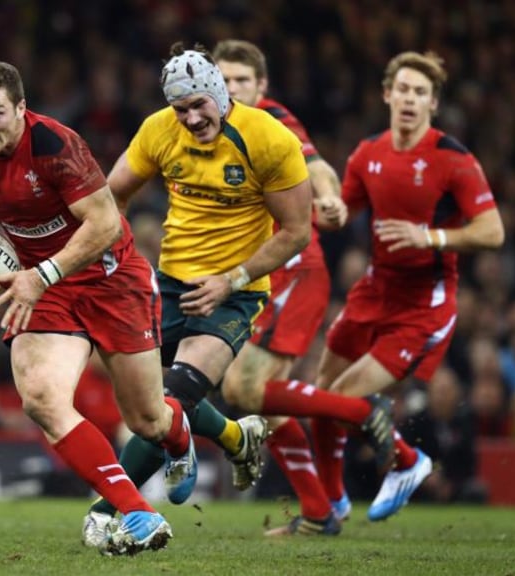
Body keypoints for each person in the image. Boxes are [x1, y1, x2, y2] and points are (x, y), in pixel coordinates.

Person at [0, 59, 197, 556]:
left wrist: (43, 274)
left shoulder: (57, 146)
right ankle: (139, 512)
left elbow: (105, 225)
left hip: (109, 278)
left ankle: (178, 432)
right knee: (41, 398)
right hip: (43, 289)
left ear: (21, 108)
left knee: (146, 421)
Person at [239, 51, 504, 522]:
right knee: (325, 395)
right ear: (387, 94)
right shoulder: (368, 154)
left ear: (433, 104)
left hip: (424, 304)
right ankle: (335, 500)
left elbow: (492, 231)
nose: (409, 99)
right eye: (402, 89)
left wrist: (430, 236)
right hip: (373, 291)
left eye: (420, 93)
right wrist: (331, 211)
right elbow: (339, 213)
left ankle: (407, 460)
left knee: (346, 400)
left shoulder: (453, 160)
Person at [81, 41, 317, 543]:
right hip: (168, 284)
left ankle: (106, 510)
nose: (190, 118)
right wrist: (118, 262)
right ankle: (236, 436)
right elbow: (111, 197)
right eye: (179, 109)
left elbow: (296, 231)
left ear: (219, 93)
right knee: (136, 392)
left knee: (175, 395)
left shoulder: (270, 140)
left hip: (235, 290)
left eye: (197, 105)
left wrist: (231, 279)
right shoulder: (158, 130)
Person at [212, 39, 351, 536]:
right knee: (256, 399)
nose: (231, 89)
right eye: (223, 80)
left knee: (244, 389)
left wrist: (330, 198)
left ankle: (363, 414)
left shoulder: (274, 120)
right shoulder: (204, 123)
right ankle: (317, 513)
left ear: (261, 86)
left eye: (241, 80)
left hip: (295, 268)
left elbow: (315, 167)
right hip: (254, 274)